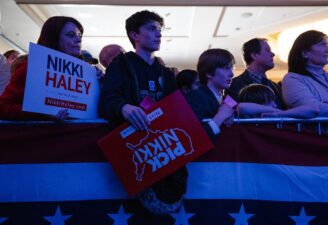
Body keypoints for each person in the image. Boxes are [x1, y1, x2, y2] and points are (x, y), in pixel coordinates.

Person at [99, 10, 186, 215]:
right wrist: (124, 107)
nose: (158, 34)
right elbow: (106, 100)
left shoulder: (165, 72)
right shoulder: (120, 64)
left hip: (165, 149)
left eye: (159, 29)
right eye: (151, 28)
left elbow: (177, 109)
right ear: (134, 35)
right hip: (136, 151)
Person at [0, 16, 90, 120]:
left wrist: (99, 82)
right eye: (71, 35)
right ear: (54, 38)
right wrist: (42, 113)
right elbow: (3, 108)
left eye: (80, 36)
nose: (78, 39)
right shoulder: (29, 69)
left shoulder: (87, 75)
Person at [186, 48, 235, 140]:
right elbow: (193, 138)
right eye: (226, 68)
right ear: (209, 73)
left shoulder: (228, 98)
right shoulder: (195, 97)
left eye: (232, 68)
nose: (232, 74)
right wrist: (221, 117)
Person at [226, 38, 284, 108]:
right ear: (254, 55)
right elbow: (231, 110)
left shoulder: (276, 87)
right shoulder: (233, 85)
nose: (273, 54)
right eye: (267, 50)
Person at [237, 84, 319, 118]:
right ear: (258, 103)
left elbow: (314, 109)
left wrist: (280, 113)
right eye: (270, 102)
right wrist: (271, 110)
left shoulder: (278, 115)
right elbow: (242, 107)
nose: (275, 105)